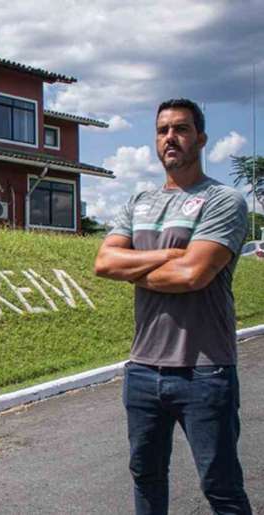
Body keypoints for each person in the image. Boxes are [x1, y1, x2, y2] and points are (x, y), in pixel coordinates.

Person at [94, 98, 252, 514]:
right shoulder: (138, 202)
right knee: (145, 478)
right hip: (143, 370)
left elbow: (192, 276)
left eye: (180, 129)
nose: (170, 138)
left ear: (200, 138)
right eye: (163, 130)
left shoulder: (223, 200)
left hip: (205, 370)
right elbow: (104, 263)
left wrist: (135, 268)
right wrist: (168, 256)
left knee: (220, 485)